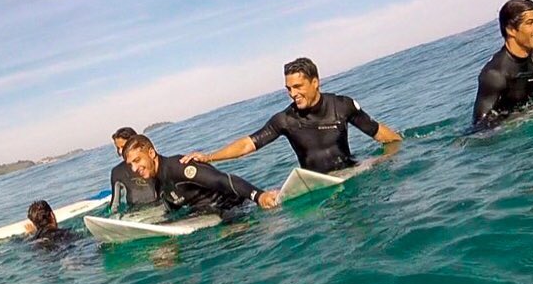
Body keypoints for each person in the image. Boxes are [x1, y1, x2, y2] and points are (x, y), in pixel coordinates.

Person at [182, 57, 402, 174]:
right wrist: (209, 157)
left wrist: (400, 148)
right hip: (317, 183)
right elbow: (248, 144)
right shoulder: (285, 120)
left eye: (298, 86)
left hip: (350, 171)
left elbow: (378, 132)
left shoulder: (342, 105)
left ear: (315, 82)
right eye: (288, 88)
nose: (292, 93)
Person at [122, 135, 278, 216]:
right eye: (130, 165)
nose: (134, 168)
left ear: (151, 153)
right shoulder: (157, 181)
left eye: (137, 160)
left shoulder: (178, 167)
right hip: (206, 214)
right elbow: (174, 210)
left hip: (234, 209)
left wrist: (259, 196)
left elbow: (222, 180)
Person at [472, 0, 533, 127]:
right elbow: (481, 127)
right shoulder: (494, 74)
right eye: (530, 23)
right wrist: (531, 114)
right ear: (511, 30)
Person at [109, 126, 159, 212]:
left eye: (123, 147)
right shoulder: (117, 172)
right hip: (135, 213)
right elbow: (114, 204)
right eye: (118, 148)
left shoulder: (152, 163)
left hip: (159, 207)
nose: (120, 151)